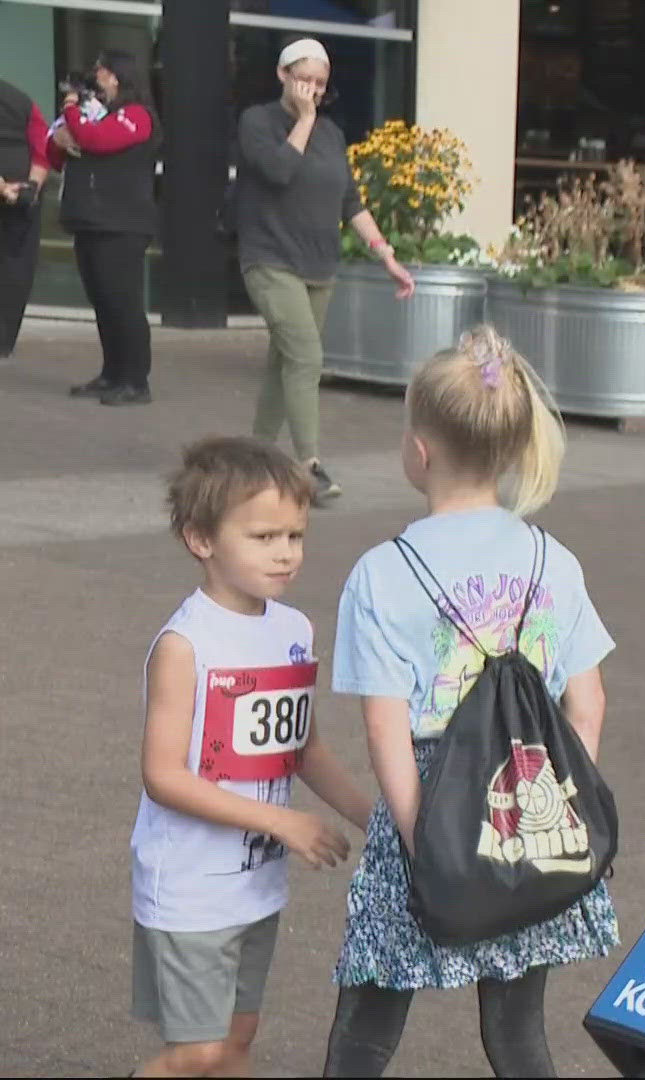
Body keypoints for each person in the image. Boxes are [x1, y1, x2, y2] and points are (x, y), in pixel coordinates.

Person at [321, 325, 617, 1077]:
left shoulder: (384, 573)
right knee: (518, 1036)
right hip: (528, 811)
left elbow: (386, 732)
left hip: (429, 807)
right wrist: (554, 807)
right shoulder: (557, 559)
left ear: (418, 451)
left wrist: (427, 845)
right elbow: (588, 705)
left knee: (368, 1025)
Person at [133, 436, 371, 1077]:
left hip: (256, 885)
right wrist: (284, 823)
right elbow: (162, 776)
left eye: (295, 535)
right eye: (263, 537)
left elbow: (305, 748)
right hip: (190, 886)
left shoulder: (293, 630)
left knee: (236, 1045)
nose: (286, 553)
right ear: (200, 540)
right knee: (197, 1052)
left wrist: (376, 817)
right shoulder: (185, 645)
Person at [237, 38, 415, 505]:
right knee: (306, 357)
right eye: (304, 79)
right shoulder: (258, 122)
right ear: (283, 75)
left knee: (286, 363)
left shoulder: (333, 135)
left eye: (319, 83)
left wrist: (385, 254)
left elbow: (350, 202)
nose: (311, 90)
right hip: (270, 259)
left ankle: (252, 459)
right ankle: (307, 466)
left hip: (320, 264)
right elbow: (277, 170)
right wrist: (305, 120)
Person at [45, 50, 161, 405]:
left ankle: (136, 380)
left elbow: (97, 141)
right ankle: (112, 374)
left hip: (122, 224)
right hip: (91, 221)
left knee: (123, 301)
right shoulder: (98, 113)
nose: (95, 77)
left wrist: (69, 108)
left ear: (116, 76)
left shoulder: (136, 115)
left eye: (101, 71)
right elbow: (56, 154)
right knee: (103, 301)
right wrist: (61, 137)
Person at [0, 76, 50, 358]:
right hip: (23, 193)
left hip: (15, 192)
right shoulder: (20, 99)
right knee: (15, 264)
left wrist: (6, 188)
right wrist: (31, 186)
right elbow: (42, 144)